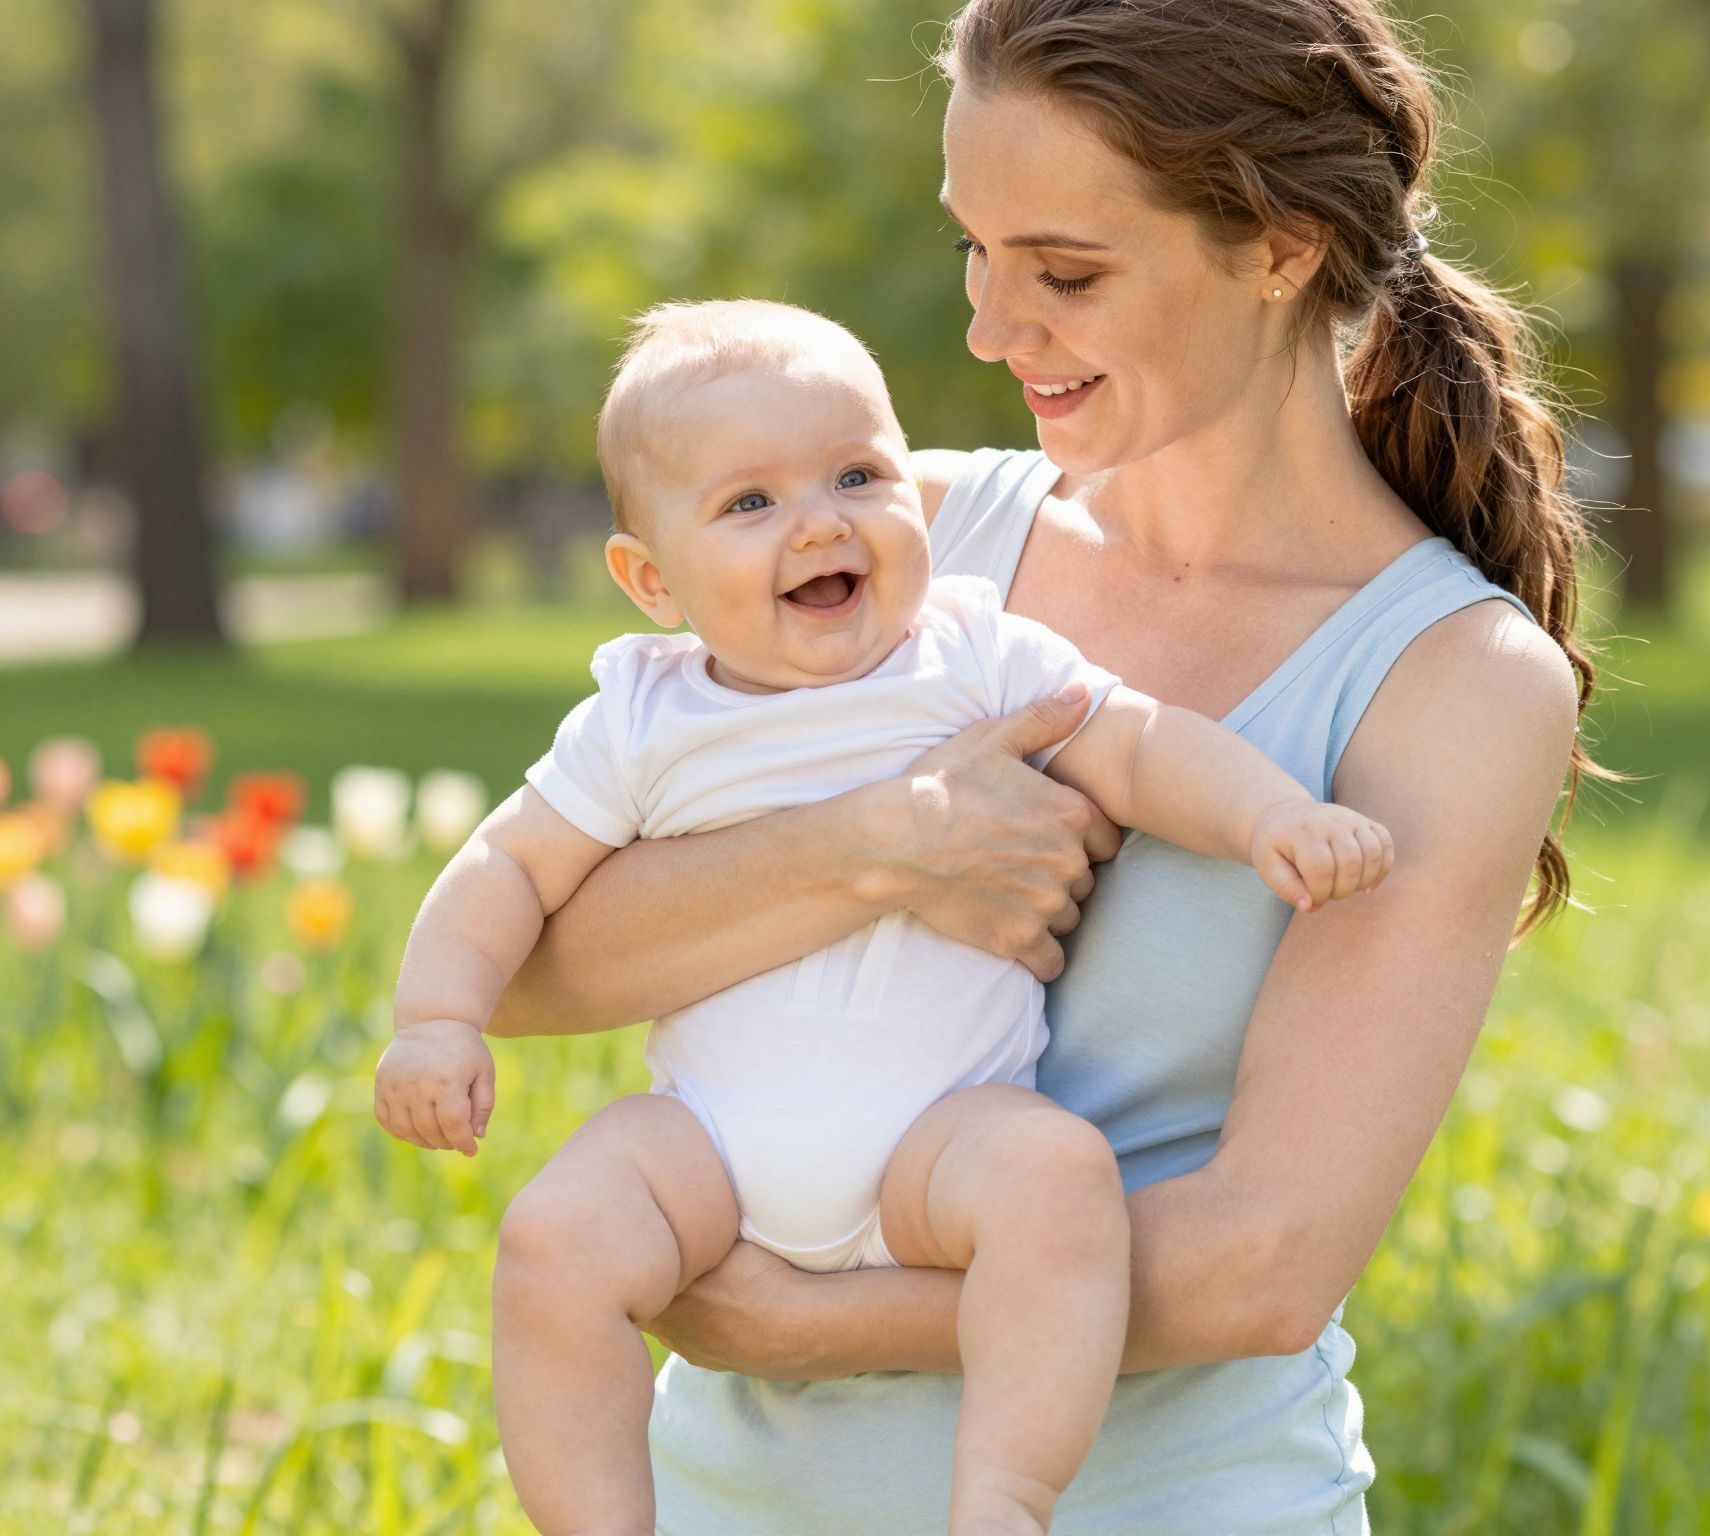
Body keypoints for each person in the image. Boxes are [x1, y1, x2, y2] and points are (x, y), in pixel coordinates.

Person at [488, 1, 1599, 1529]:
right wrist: (882, 843)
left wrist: (790, 1319)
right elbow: (530, 964)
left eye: (1065, 272)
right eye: (975, 248)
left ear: (1279, 249)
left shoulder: (1453, 685)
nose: (988, 328)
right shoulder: (899, 539)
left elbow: (1266, 1262)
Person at [376, 297, 1396, 1536]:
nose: (816, 520)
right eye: (747, 503)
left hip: (937, 1145)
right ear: (651, 580)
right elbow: (506, 869)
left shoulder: (965, 650)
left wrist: (1267, 818)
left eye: (857, 473)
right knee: (552, 1242)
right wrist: (437, 1018)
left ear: (913, 496)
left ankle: (1004, 1499)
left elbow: (1135, 744)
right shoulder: (641, 717)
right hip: (709, 1147)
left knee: (1054, 1180)